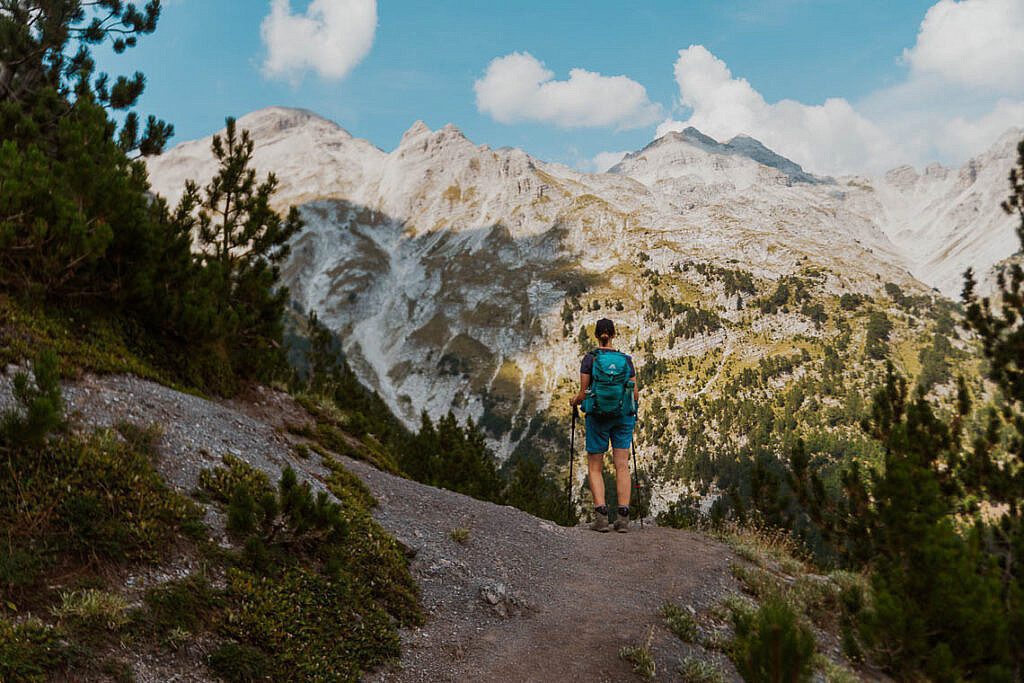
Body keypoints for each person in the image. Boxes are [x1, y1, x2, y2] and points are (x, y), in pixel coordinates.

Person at [569, 318, 639, 533]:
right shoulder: (626, 360)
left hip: (598, 417)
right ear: (613, 335)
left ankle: (601, 518)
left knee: (595, 466)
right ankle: (623, 518)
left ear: (597, 336)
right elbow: (634, 394)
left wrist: (574, 401)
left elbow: (583, 393)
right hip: (622, 417)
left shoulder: (590, 359)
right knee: (622, 465)